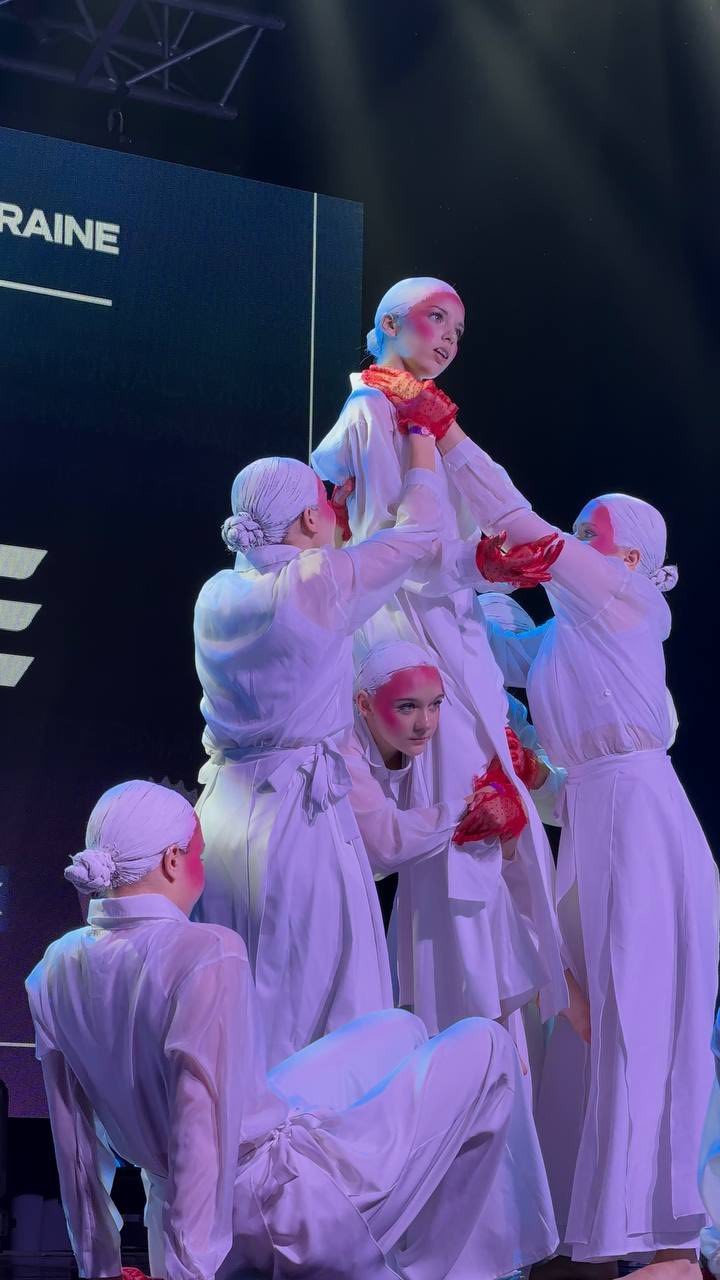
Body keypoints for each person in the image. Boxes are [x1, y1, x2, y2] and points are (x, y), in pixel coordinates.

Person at [26, 780, 560, 1280]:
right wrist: (191, 1271)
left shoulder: (52, 969)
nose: (201, 871)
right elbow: (198, 1123)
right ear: (171, 861)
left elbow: (75, 1149)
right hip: (265, 1218)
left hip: (188, 1209)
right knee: (490, 1046)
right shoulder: (204, 952)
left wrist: (99, 1268)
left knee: (399, 1029)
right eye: (199, 858)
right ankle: (434, 1268)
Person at [414, 407, 720, 1271]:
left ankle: (661, 1232)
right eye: (578, 532)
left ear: (631, 559)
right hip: (594, 822)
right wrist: (421, 558)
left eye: (593, 534)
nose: (577, 544)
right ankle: (589, 1222)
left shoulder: (625, 601)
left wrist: (450, 439)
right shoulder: (562, 640)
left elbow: (524, 529)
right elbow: (480, 642)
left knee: (640, 1013)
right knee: (585, 1021)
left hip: (643, 829)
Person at [312, 276, 572, 1042]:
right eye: (436, 320)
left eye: (459, 327)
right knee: (460, 844)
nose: (451, 337)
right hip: (410, 641)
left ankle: (495, 1051)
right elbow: (399, 548)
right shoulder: (373, 411)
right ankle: (458, 1045)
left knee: (496, 833)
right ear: (390, 322)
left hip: (453, 637)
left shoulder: (423, 415)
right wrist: (478, 562)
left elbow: (458, 540)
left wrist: (483, 564)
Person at [192, 442, 447, 1066]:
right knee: (310, 1003)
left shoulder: (216, 592)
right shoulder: (318, 581)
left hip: (220, 816)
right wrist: (421, 445)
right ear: (310, 518)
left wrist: (328, 529)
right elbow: (421, 531)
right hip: (295, 815)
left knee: (228, 997)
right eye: (324, 506)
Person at [342, 637, 571, 1077]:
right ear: (365, 705)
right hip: (412, 896)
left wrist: (529, 776)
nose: (425, 723)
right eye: (409, 707)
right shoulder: (353, 747)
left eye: (434, 706)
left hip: (483, 886)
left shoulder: (487, 712)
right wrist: (466, 811)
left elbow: (548, 800)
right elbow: (384, 842)